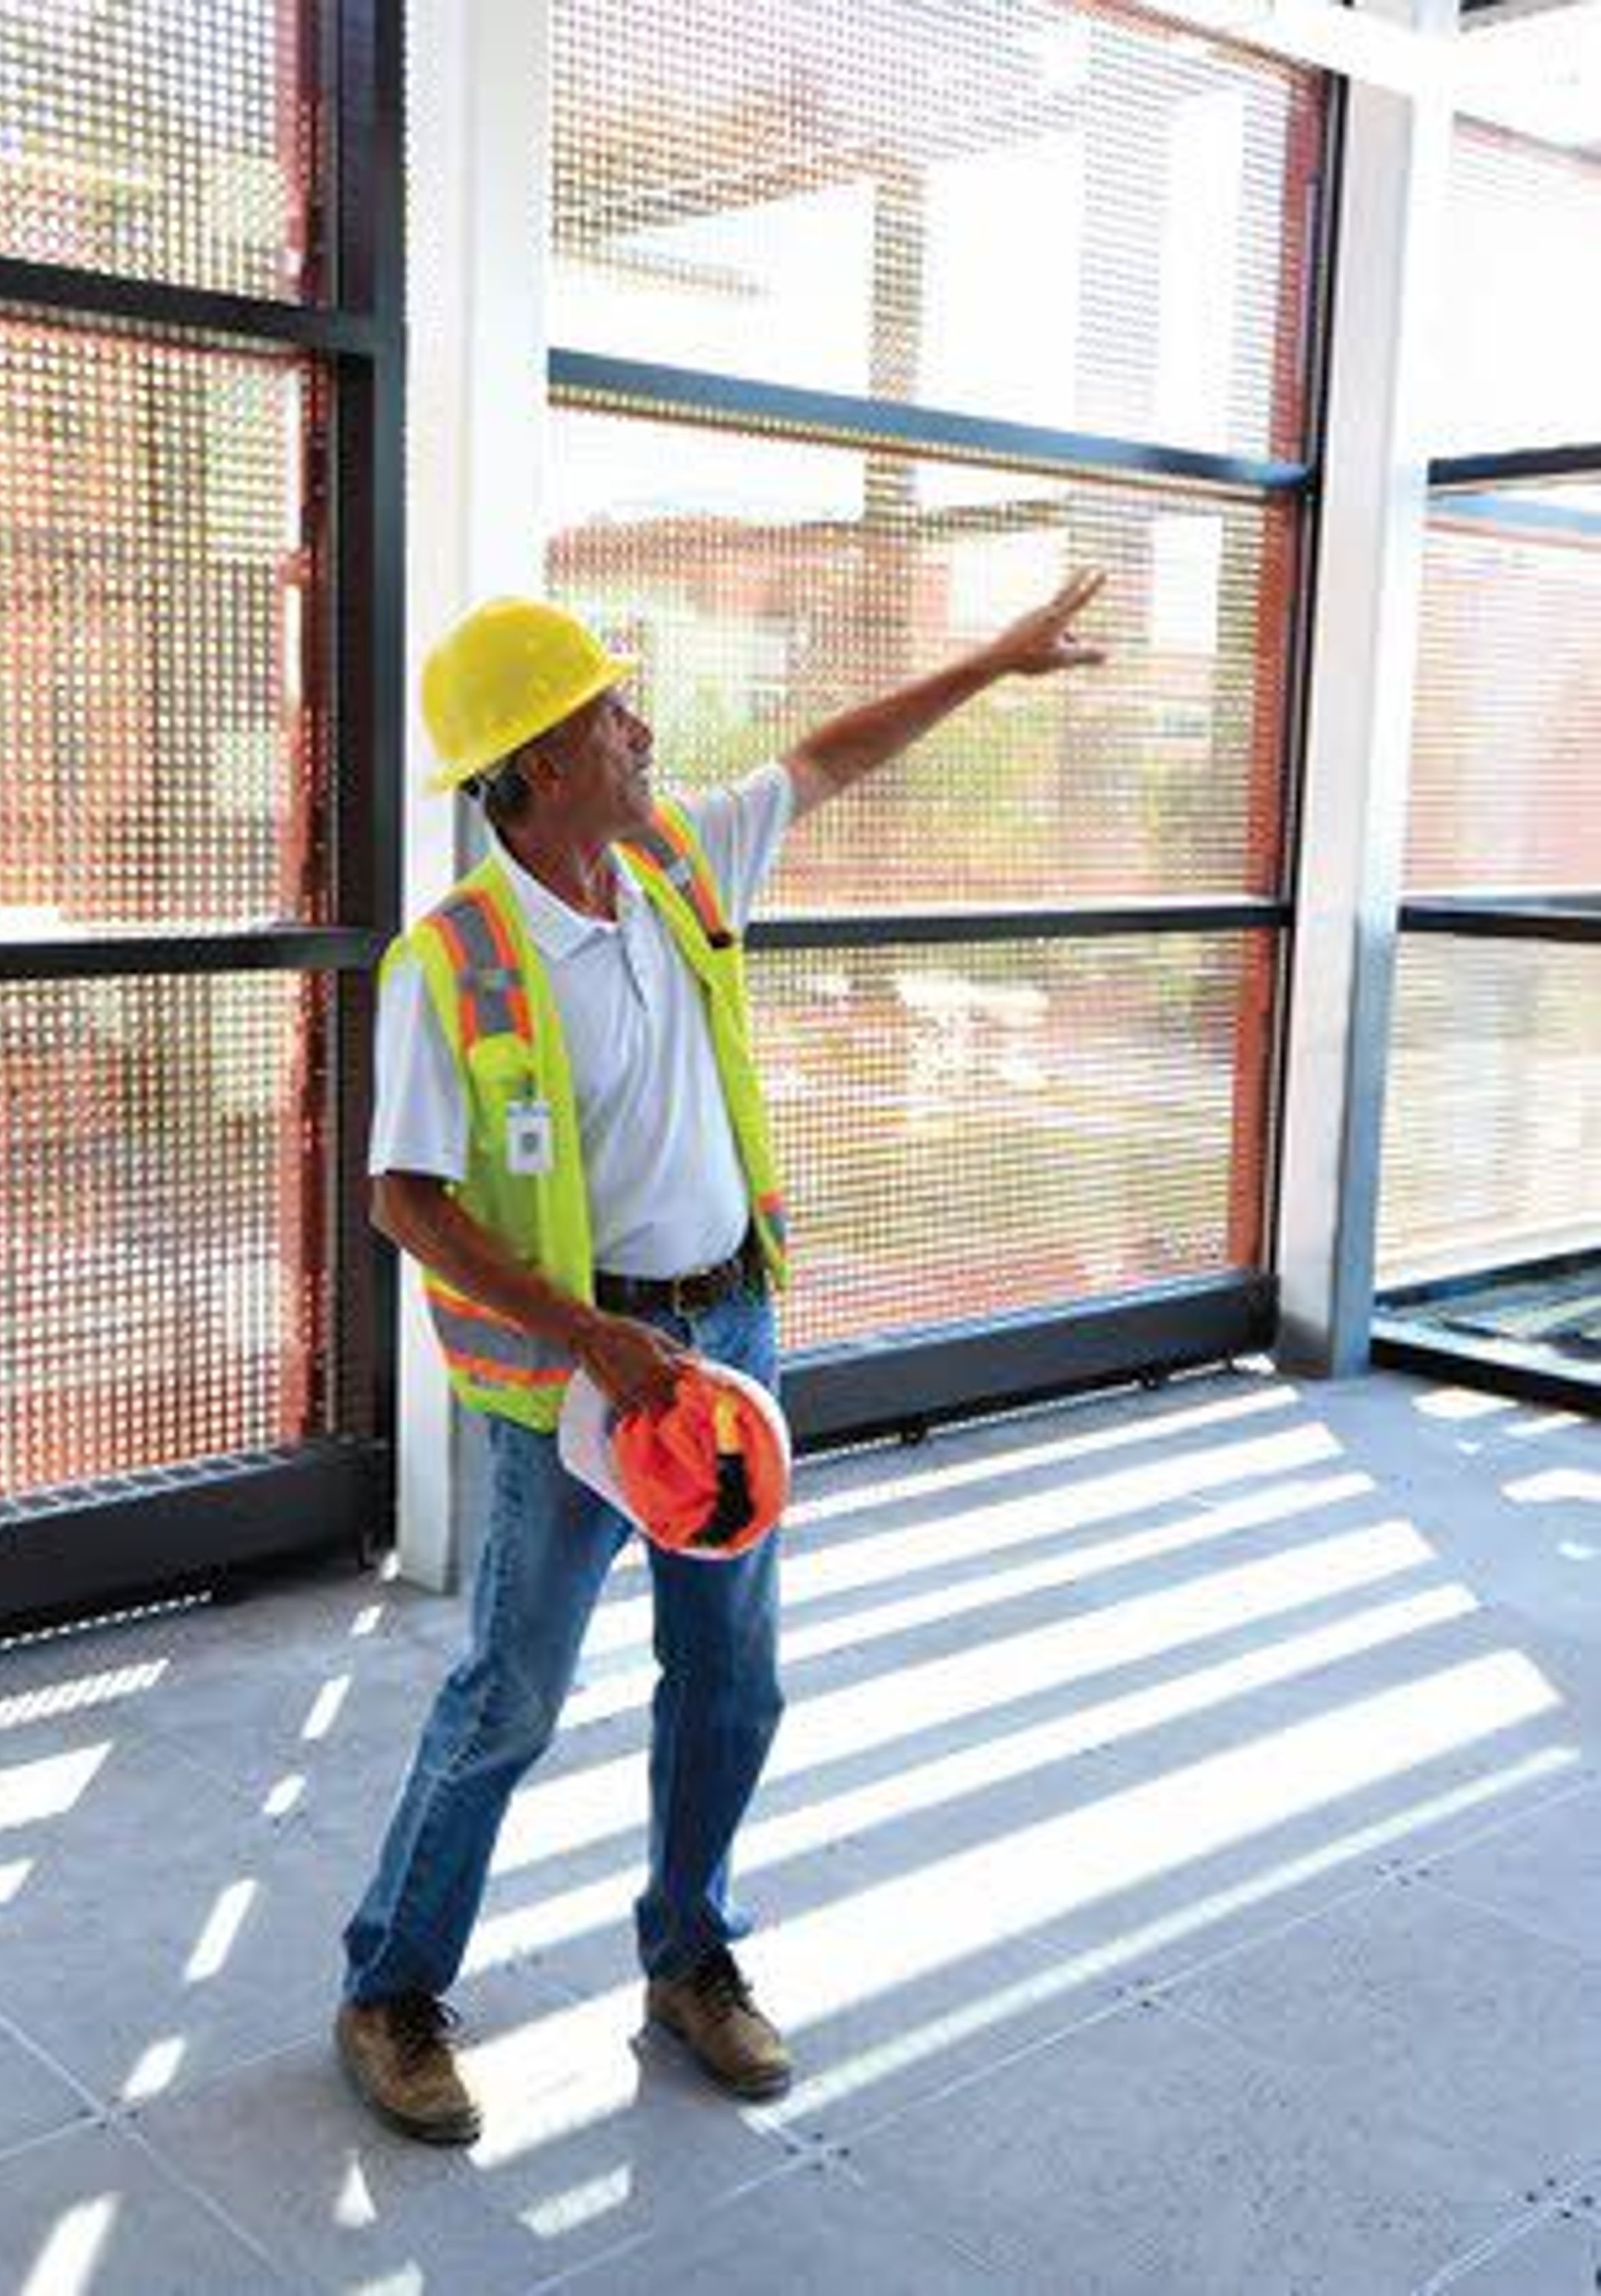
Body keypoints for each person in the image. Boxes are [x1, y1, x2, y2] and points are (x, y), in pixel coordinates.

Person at [337, 574, 1107, 2143]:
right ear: (542, 763)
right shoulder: (460, 960)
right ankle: (392, 1993)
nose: (643, 729)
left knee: (733, 1678)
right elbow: (400, 1198)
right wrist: (589, 1339)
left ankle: (692, 1958)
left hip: (727, 1334)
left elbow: (829, 758)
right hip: (580, 1382)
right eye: (613, 714)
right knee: (511, 1696)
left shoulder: (676, 857)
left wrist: (995, 662)